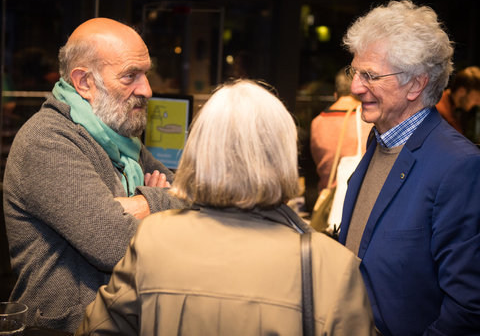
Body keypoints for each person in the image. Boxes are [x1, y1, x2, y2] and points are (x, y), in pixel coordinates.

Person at [75, 79, 377, 336]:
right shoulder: (332, 266)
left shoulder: (154, 238)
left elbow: (99, 327)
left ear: (198, 152)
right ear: (284, 156)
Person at [3, 18, 185, 333]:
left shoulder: (123, 139)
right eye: (131, 76)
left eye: (145, 74)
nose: (147, 89)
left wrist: (140, 204)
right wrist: (159, 198)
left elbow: (195, 196)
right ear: (84, 82)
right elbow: (115, 245)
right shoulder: (46, 140)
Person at [338, 0, 480, 336]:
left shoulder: (459, 167)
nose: (356, 87)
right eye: (355, 72)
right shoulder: (380, 142)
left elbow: (469, 305)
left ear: (415, 84)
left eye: (370, 75)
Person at [310, 67, 373, 191]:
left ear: (335, 94)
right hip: (357, 198)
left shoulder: (317, 122)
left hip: (328, 202)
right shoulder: (368, 120)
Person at [436, 65, 480, 138]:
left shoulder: (455, 108)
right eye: (477, 99)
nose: (478, 103)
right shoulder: (439, 111)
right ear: (461, 91)